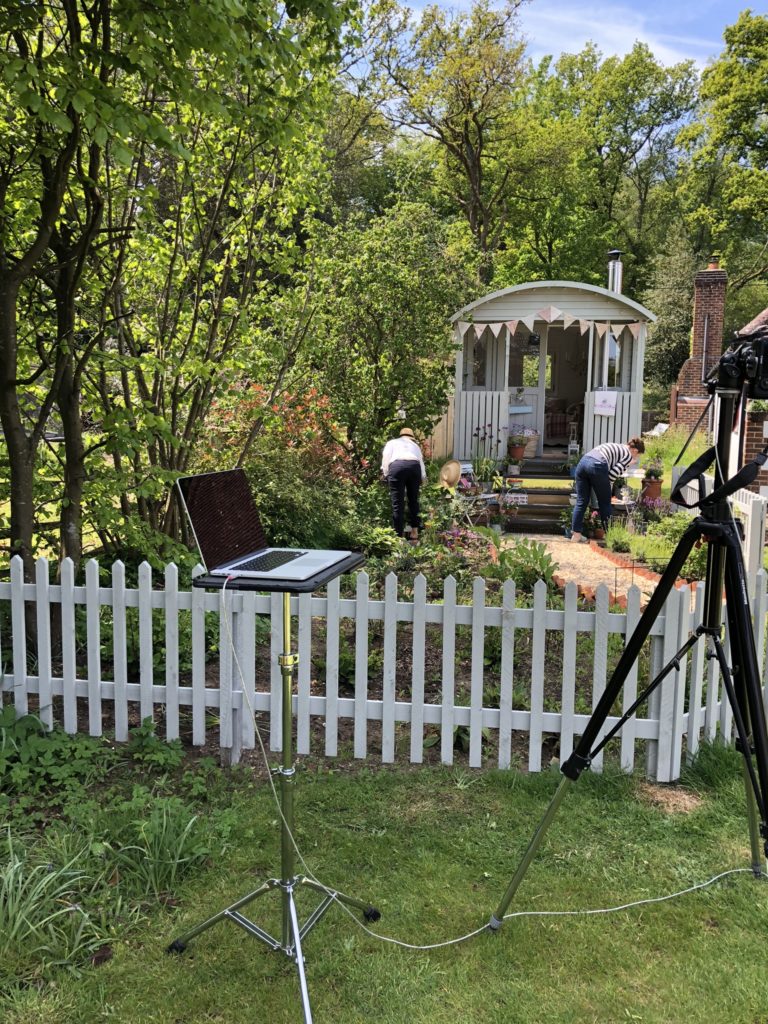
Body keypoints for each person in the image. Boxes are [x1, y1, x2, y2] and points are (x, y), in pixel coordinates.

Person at [571, 437, 645, 542]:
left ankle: (576, 535)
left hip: (583, 463)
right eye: (638, 456)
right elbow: (612, 475)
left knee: (581, 500)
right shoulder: (628, 455)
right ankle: (609, 536)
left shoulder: (618, 446)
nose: (636, 458)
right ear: (635, 450)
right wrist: (627, 464)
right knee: (605, 502)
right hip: (597, 465)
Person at [381, 426, 427, 542]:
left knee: (398, 503)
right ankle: (414, 531)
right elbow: (421, 462)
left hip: (397, 467)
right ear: (411, 437)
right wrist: (423, 477)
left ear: (401, 435)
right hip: (414, 467)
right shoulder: (415, 446)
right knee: (413, 500)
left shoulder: (392, 443)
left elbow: (386, 458)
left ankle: (399, 536)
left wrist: (386, 474)